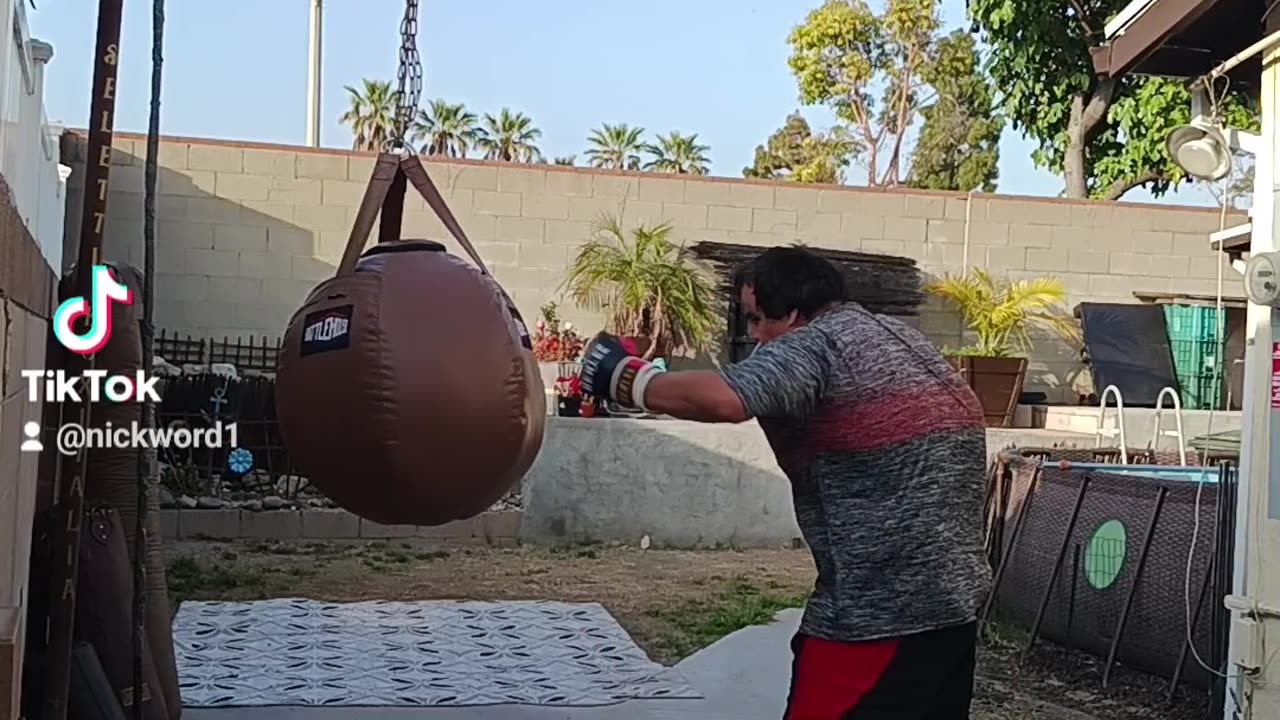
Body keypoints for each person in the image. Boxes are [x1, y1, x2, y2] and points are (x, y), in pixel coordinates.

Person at [579, 246, 991, 719]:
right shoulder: (901, 340)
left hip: (879, 613)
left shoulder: (816, 346)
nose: (754, 337)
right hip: (954, 603)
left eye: (757, 320)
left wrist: (624, 378)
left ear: (793, 313)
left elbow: (725, 400)